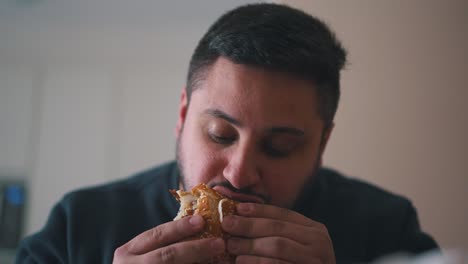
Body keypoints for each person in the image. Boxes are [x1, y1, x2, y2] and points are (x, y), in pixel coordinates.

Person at [16, 3, 438, 264]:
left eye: (280, 147)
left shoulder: (387, 230)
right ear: (182, 115)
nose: (239, 175)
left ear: (322, 143)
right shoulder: (77, 229)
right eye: (220, 134)